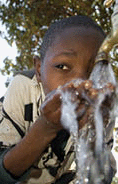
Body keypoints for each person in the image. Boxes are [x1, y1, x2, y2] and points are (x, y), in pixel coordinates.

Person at [0, 15, 116, 184]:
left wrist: (95, 131)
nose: (81, 82)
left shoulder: (100, 103)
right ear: (39, 69)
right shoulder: (24, 88)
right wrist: (46, 127)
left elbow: (101, 177)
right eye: (62, 66)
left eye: (94, 71)